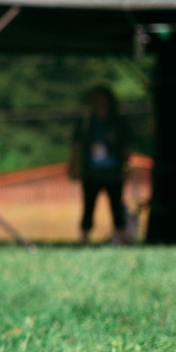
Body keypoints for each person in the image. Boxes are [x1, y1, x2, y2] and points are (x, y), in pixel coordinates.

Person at [69, 85, 132, 245]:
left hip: (113, 172)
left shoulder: (117, 123)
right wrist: (74, 166)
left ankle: (120, 238)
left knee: (116, 205)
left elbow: (126, 147)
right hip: (91, 172)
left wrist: (126, 167)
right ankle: (84, 239)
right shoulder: (86, 123)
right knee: (88, 207)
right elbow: (76, 145)